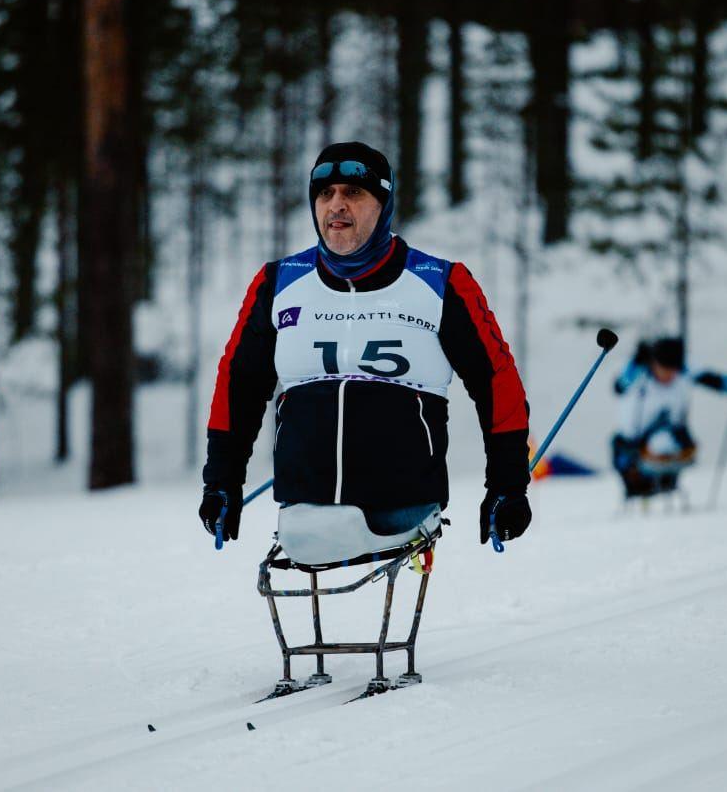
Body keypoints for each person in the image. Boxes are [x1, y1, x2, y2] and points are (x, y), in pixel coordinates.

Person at [198, 141, 532, 557]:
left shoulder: (441, 282)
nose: (336, 205)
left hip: (405, 511)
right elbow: (238, 385)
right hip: (305, 516)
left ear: (384, 203)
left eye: (353, 193)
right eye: (325, 193)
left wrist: (507, 485)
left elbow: (497, 383)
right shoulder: (277, 283)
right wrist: (221, 482)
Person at [611, 336, 727, 498]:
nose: (668, 375)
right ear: (653, 363)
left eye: (672, 370)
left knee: (667, 445)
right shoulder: (639, 373)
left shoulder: (686, 371)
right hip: (633, 448)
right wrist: (635, 362)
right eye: (663, 368)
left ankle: (664, 479)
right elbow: (619, 386)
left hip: (673, 444)